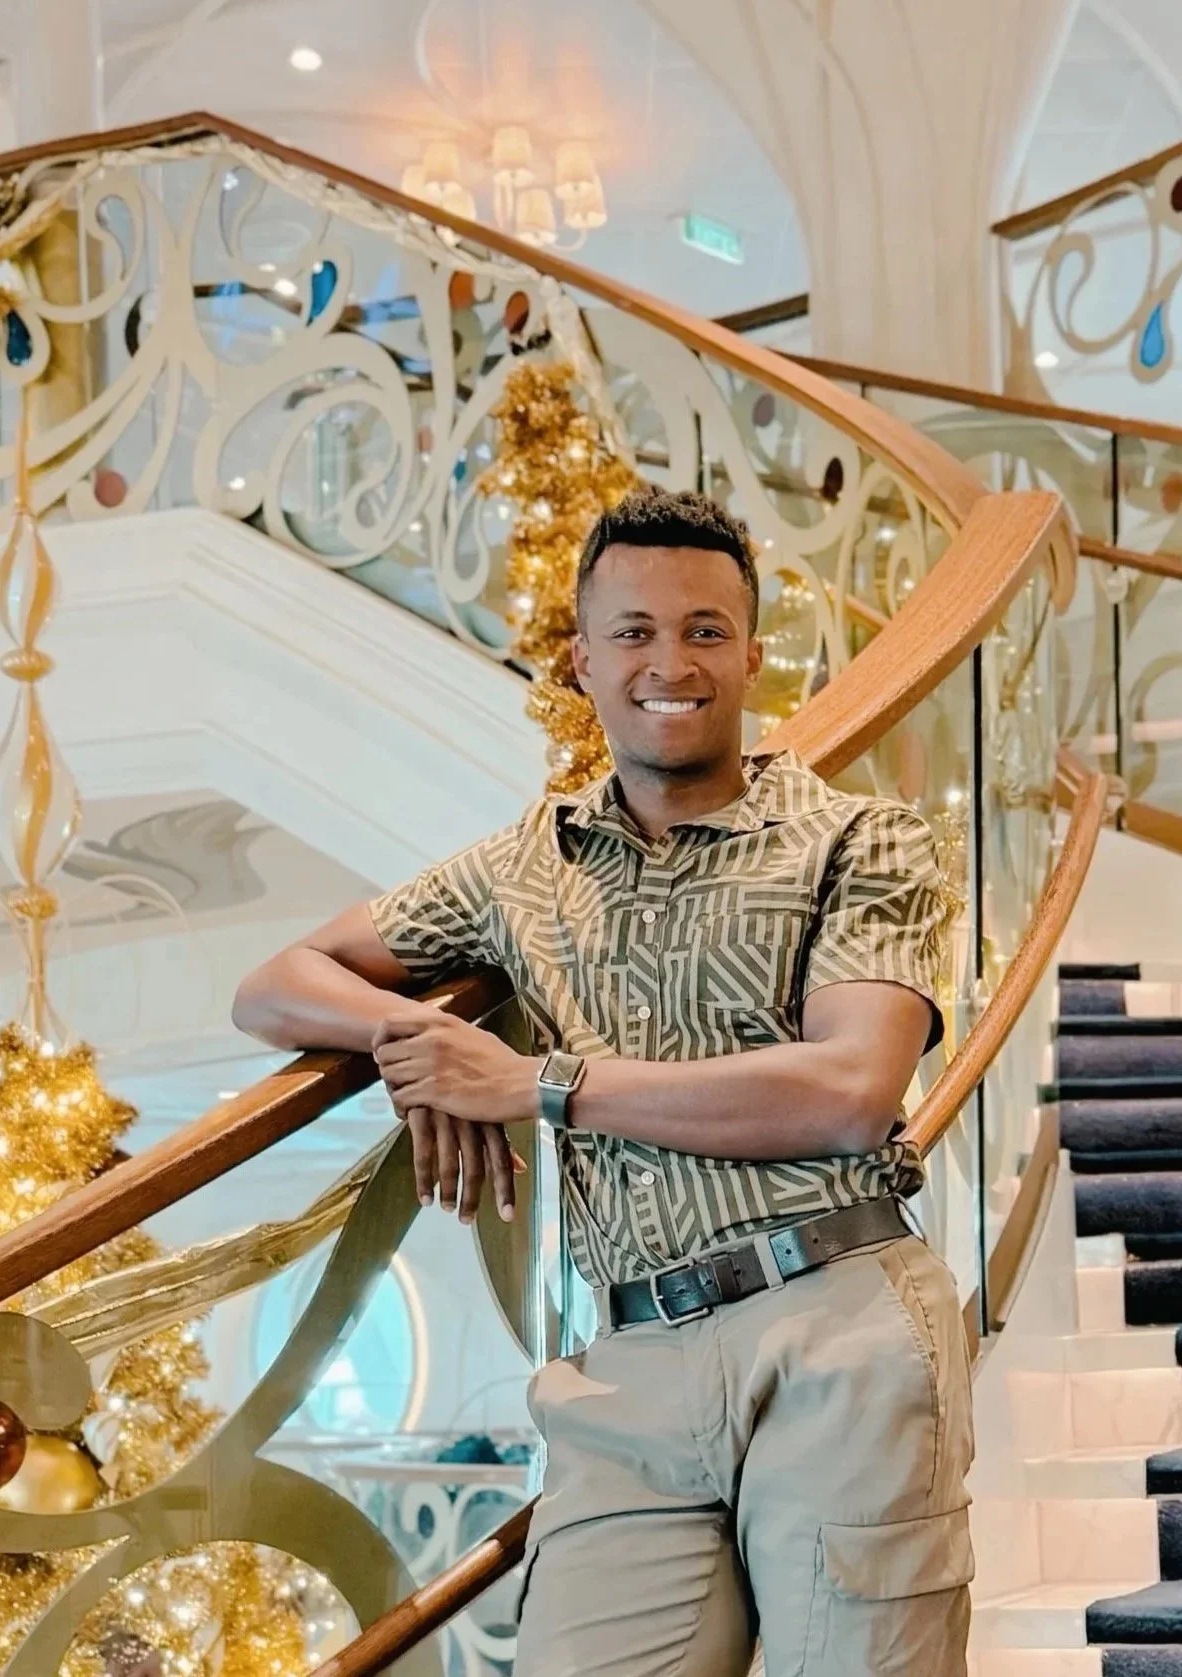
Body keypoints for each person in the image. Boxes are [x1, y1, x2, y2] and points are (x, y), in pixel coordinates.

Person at [233, 487, 974, 1676]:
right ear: (582, 659)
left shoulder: (862, 839)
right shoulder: (522, 868)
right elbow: (275, 984)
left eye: (704, 630)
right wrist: (425, 1050)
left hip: (835, 1319)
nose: (669, 664)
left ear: (752, 654)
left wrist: (537, 1084)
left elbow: (848, 1092)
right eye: (633, 632)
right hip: (630, 1358)